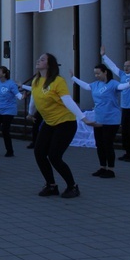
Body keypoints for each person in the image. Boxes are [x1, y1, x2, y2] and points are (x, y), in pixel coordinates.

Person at [26, 53, 96, 199]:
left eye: (42, 59)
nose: (38, 61)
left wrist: (84, 118)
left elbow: (68, 101)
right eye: (39, 59)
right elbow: (34, 99)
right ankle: (51, 185)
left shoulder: (58, 81)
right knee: (39, 152)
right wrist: (30, 113)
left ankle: (72, 186)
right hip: (49, 122)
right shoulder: (36, 81)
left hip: (65, 123)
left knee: (54, 156)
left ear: (49, 65)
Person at [70, 65, 130, 178]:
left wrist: (129, 84)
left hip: (111, 119)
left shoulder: (113, 83)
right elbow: (86, 86)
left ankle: (110, 169)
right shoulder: (95, 84)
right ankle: (102, 167)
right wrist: (73, 78)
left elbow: (121, 86)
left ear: (105, 72)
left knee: (107, 144)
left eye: (98, 73)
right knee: (99, 144)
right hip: (98, 118)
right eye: (95, 74)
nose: (96, 76)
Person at [101, 42, 130, 162]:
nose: (126, 68)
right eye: (125, 66)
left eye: (129, 66)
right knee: (125, 131)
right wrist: (104, 56)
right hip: (124, 107)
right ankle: (128, 152)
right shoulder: (122, 75)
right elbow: (113, 67)